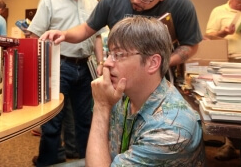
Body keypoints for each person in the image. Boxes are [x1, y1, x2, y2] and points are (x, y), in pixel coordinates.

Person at [86, 16, 206, 166]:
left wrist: (101, 107)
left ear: (152, 63)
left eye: (118, 55)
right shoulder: (121, 92)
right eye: (109, 54)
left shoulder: (172, 129)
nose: (108, 63)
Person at [41, 0, 202, 68]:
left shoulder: (182, 4)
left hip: (159, 75)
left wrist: (160, 64)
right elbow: (85, 29)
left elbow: (190, 45)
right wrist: (63, 34)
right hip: (119, 73)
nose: (136, 0)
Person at [28, 0, 106, 166]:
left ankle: (87, 161)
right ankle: (48, 162)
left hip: (86, 66)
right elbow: (35, 35)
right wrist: (37, 67)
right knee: (52, 122)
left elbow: (97, 36)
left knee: (85, 121)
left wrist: (101, 62)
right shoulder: (49, 0)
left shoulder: (93, 2)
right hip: (59, 65)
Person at [205, 0, 241, 161]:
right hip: (231, 63)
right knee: (232, 106)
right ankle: (231, 145)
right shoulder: (219, 11)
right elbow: (209, 36)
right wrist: (224, 32)